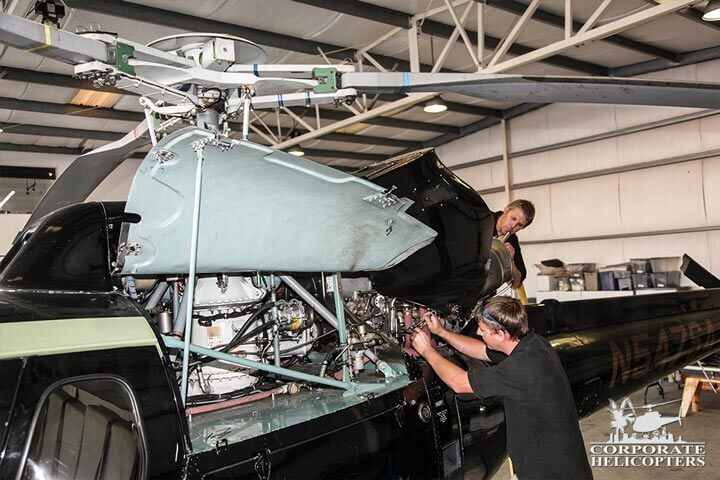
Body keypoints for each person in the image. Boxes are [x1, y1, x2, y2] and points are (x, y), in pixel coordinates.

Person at [411, 297, 593, 480]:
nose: (478, 333)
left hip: (552, 473)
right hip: (558, 465)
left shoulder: (521, 368)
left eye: (483, 330)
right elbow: (482, 351)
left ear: (500, 335)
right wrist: (442, 332)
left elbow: (460, 383)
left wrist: (428, 351)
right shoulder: (532, 345)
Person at [494, 199, 535, 289]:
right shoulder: (482, 221)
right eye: (513, 218)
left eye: (519, 225)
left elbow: (516, 284)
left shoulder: (512, 240)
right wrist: (492, 245)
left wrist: (510, 260)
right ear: (506, 210)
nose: (513, 226)